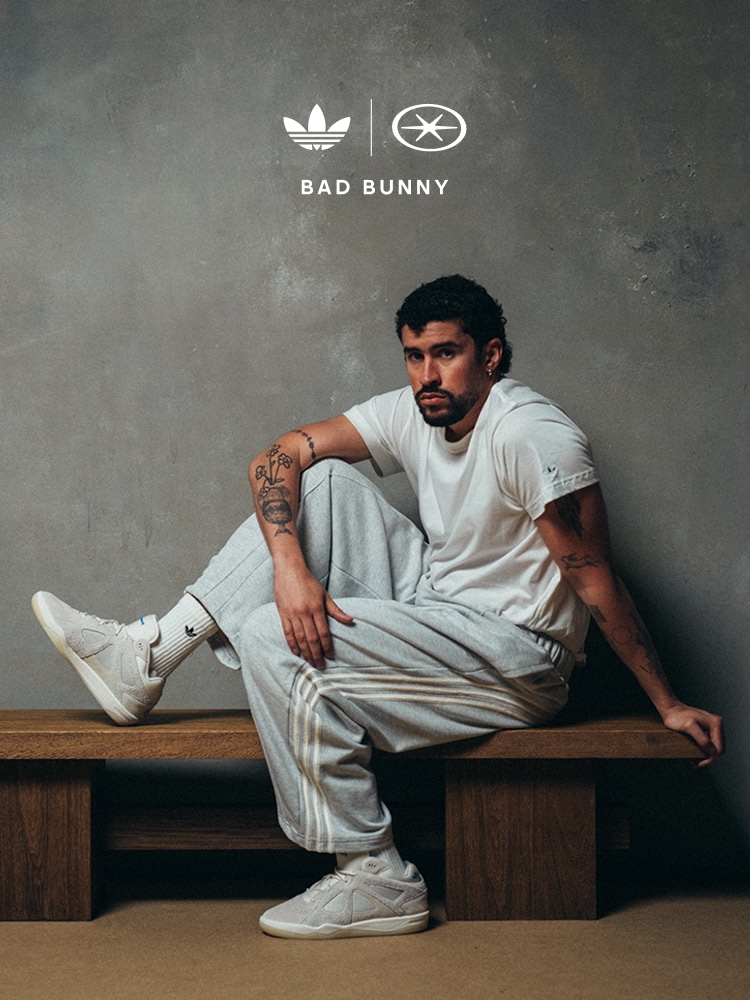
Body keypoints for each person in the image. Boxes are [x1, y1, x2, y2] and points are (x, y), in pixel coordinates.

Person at [32, 274, 724, 939]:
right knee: (323, 481)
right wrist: (291, 568)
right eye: (415, 355)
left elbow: (594, 576)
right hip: (436, 602)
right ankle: (150, 655)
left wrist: (666, 702)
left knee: (273, 636)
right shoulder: (416, 409)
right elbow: (277, 456)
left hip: (516, 653)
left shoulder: (531, 437)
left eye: (446, 354)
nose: (427, 374)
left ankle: (373, 871)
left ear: (489, 355)